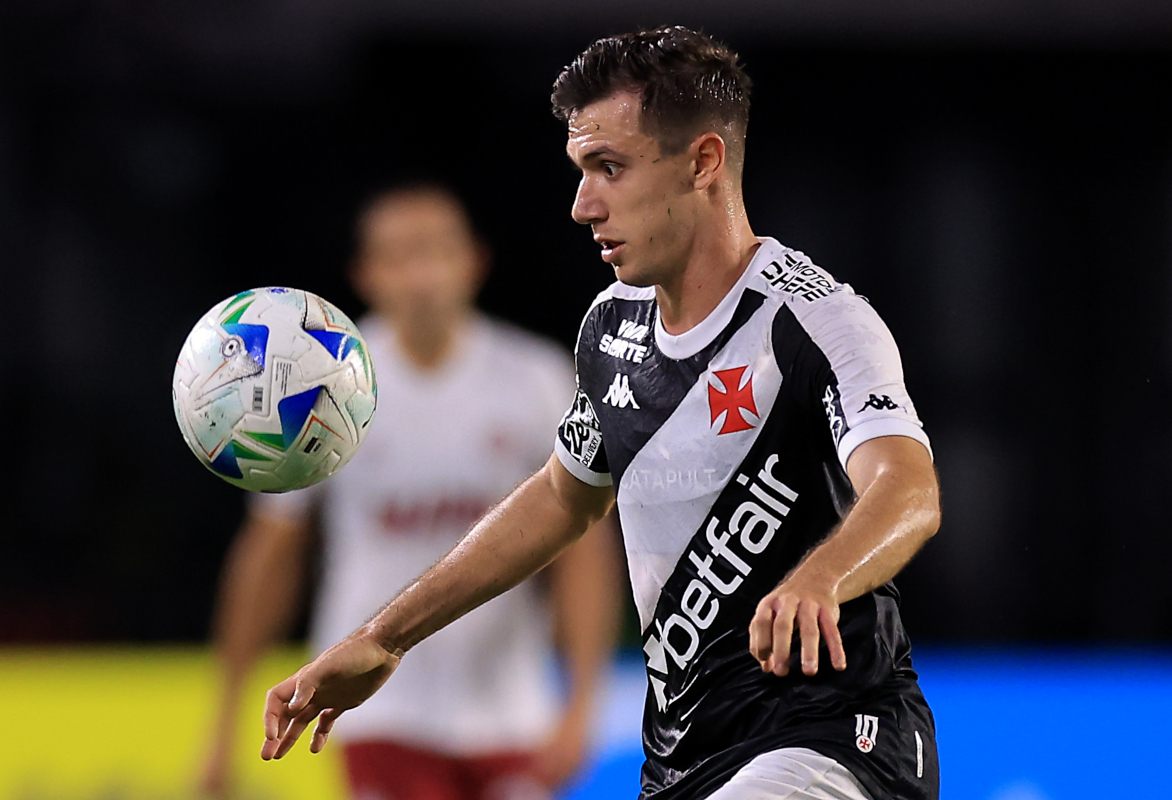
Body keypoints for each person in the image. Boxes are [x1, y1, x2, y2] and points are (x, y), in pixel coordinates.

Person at [259, 27, 942, 800]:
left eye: (609, 169)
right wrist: (383, 639)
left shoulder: (816, 322)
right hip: (685, 758)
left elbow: (908, 489)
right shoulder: (611, 328)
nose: (583, 206)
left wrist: (819, 577)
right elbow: (562, 497)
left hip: (832, 739)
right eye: (582, 171)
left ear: (703, 162)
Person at [202, 183, 622, 800]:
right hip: (376, 712)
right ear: (366, 274)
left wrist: (584, 699)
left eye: (434, 250)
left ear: (473, 262)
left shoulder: (535, 379)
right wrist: (222, 725)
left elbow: (582, 549)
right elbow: (271, 555)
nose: (420, 273)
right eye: (398, 255)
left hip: (511, 708)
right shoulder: (320, 388)